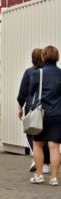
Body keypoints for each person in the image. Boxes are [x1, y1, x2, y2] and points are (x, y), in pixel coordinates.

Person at [30, 46, 61, 186]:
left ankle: (39, 175)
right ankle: (54, 178)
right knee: (54, 146)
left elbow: (31, 91)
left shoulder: (38, 73)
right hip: (58, 113)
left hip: (41, 114)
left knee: (37, 144)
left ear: (44, 56)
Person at [17, 48, 50, 174]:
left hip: (32, 107)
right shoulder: (48, 72)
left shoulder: (29, 72)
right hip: (47, 107)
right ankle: (46, 163)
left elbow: (23, 92)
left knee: (31, 133)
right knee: (45, 135)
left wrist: (20, 107)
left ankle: (37, 159)